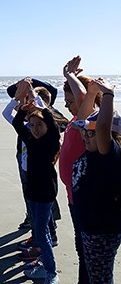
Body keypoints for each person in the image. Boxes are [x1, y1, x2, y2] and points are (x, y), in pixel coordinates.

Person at [72, 78, 121, 283]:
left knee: (100, 278)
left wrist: (108, 94)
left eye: (91, 134)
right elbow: (82, 120)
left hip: (101, 232)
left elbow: (101, 128)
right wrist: (86, 89)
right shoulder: (90, 150)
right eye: (85, 131)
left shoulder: (108, 154)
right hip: (88, 226)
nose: (86, 136)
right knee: (95, 276)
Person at [60, 55, 102, 284]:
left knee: (87, 254)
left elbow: (84, 96)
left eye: (70, 100)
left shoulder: (88, 122)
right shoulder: (75, 120)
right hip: (73, 198)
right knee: (81, 250)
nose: (66, 105)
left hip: (84, 201)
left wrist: (69, 76)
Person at [12, 93, 60, 283]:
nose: (35, 129)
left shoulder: (50, 141)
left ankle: (51, 272)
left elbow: (54, 127)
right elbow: (17, 125)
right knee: (41, 231)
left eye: (39, 125)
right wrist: (23, 111)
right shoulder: (30, 140)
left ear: (46, 126)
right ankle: (43, 262)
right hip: (31, 192)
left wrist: (40, 108)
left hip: (45, 193)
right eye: (32, 126)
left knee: (40, 232)